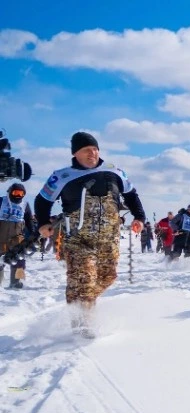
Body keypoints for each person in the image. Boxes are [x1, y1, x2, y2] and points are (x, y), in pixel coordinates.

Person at [35, 131, 145, 337]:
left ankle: (78, 303)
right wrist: (42, 223)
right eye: (86, 150)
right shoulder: (62, 176)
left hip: (108, 239)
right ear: (75, 153)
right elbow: (42, 201)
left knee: (107, 277)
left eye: (95, 149)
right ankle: (83, 327)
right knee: (85, 279)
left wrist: (139, 217)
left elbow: (131, 195)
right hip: (78, 239)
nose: (92, 153)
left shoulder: (115, 172)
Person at [0, 183, 35, 289]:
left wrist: (32, 234)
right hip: (1, 234)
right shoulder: (2, 201)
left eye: (21, 193)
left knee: (18, 259)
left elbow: (29, 220)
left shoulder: (25, 205)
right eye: (16, 193)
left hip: (16, 237)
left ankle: (15, 282)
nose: (18, 196)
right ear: (10, 192)